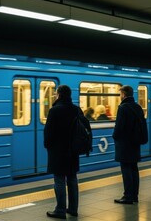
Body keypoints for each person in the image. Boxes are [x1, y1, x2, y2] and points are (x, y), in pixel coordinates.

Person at [44, 85, 91, 219]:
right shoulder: (76, 110)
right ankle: (73, 209)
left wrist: (48, 146)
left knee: (59, 180)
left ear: (59, 95)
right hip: (73, 151)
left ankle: (60, 210)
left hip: (58, 152)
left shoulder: (54, 111)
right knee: (72, 179)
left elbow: (49, 133)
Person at [112, 85, 144, 205]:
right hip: (135, 143)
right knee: (134, 169)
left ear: (124, 94)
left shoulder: (123, 108)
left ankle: (127, 196)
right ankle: (135, 195)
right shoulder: (138, 107)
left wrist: (114, 136)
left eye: (120, 94)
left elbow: (119, 127)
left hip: (125, 144)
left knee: (126, 170)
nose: (120, 96)